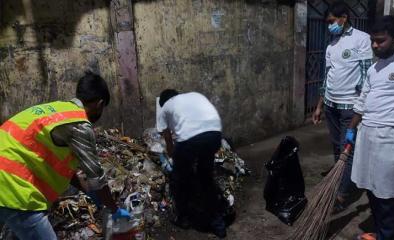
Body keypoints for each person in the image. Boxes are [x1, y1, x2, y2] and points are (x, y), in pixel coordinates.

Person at [0, 72, 129, 239]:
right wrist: (114, 209)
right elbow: (97, 177)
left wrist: (87, 190)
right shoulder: (80, 125)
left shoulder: (57, 110)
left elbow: (61, 166)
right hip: (12, 188)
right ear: (100, 103)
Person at [312, 1, 373, 210]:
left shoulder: (362, 39)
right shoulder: (332, 44)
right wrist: (319, 105)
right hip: (331, 105)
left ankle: (340, 194)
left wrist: (361, 108)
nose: (330, 25)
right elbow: (327, 77)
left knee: (347, 149)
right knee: (336, 147)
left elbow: (367, 76)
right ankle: (339, 181)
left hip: (349, 107)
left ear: (343, 18)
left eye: (331, 21)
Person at [346, 16, 394, 240]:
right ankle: (380, 232)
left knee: (387, 193)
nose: (375, 46)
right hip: (367, 136)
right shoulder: (374, 68)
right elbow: (362, 101)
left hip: (390, 138)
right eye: (373, 41)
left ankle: (388, 235)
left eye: (380, 41)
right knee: (371, 189)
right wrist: (351, 129)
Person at [157, 89, 226, 238]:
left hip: (191, 140)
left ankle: (183, 218)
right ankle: (218, 224)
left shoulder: (164, 109)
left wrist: (174, 157)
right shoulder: (195, 95)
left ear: (163, 103)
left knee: (178, 180)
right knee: (206, 178)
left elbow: (168, 140)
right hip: (215, 134)